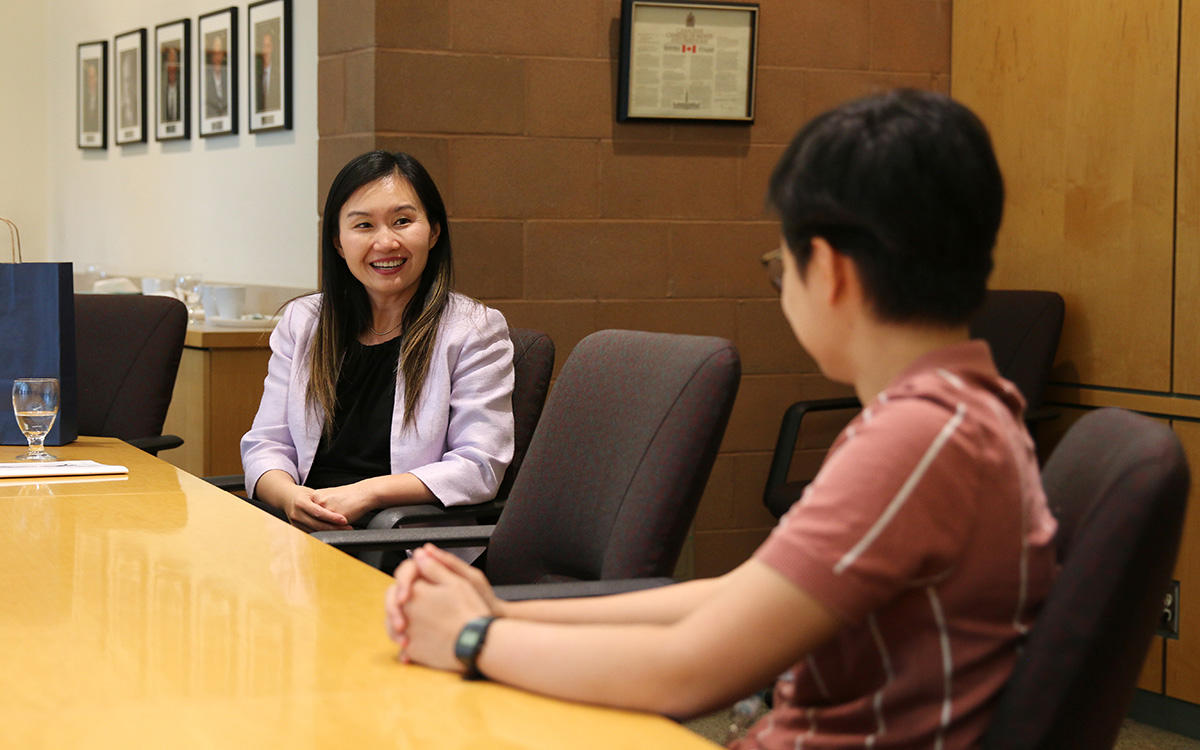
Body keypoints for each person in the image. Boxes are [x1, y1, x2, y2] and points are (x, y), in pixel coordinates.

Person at [383, 89, 1058, 750]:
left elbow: (687, 670)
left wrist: (474, 640)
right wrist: (503, 610)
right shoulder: (963, 411)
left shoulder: (918, 442)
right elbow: (736, 595)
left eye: (781, 266)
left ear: (827, 271)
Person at [241, 150, 515, 536]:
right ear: (338, 242)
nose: (386, 242)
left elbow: (479, 464)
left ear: (434, 231)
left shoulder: (473, 330)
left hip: (401, 538)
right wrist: (289, 497)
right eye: (364, 225)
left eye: (403, 221)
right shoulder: (305, 322)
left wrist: (367, 495)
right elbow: (266, 443)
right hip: (298, 525)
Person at [255, 24, 280, 113]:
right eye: (263, 47)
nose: (265, 51)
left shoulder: (279, 74)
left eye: (268, 46)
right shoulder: (255, 75)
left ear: (272, 48)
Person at [205, 31, 229, 119]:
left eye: (220, 53)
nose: (217, 58)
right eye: (215, 54)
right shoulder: (205, 78)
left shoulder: (228, 76)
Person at [161, 45, 181, 123]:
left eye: (174, 63)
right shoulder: (161, 92)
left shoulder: (182, 91)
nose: (171, 67)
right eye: (169, 63)